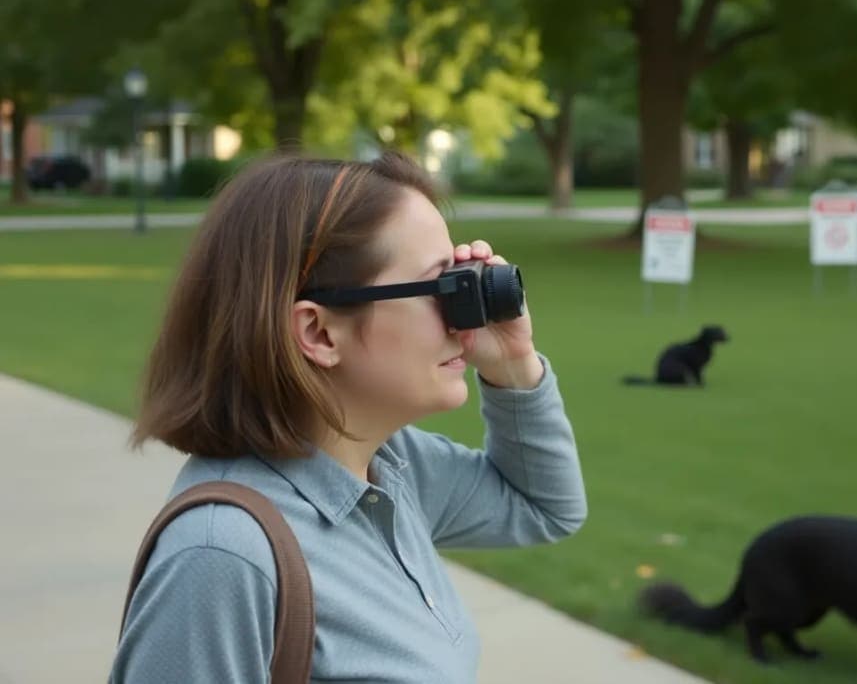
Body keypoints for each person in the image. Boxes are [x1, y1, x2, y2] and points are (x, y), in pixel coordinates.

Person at [110, 151, 587, 683]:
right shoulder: (222, 554)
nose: (465, 318)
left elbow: (542, 507)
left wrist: (514, 366)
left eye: (464, 279)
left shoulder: (385, 466)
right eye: (443, 289)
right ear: (318, 332)